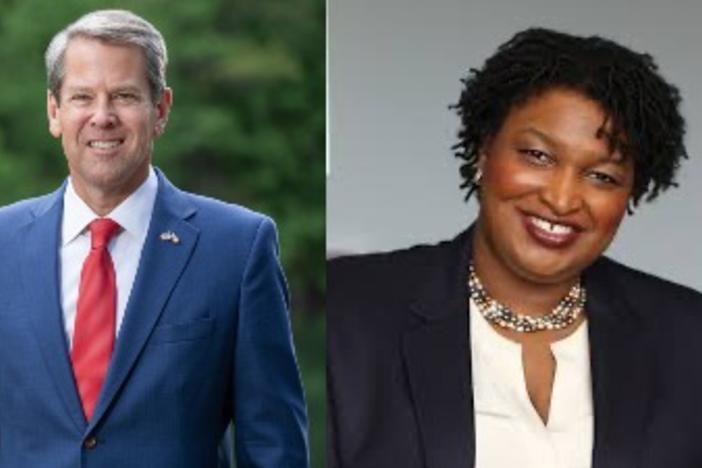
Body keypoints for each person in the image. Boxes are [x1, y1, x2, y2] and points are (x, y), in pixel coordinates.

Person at [327, 28, 702, 468]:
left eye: (602, 176)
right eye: (537, 156)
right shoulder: (348, 313)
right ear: (484, 151)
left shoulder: (687, 338)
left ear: (630, 194)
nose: (562, 200)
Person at [0, 9, 308, 468]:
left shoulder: (238, 249)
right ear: (54, 112)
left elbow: (274, 448)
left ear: (160, 109)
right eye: (83, 97)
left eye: (123, 96)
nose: (102, 117)